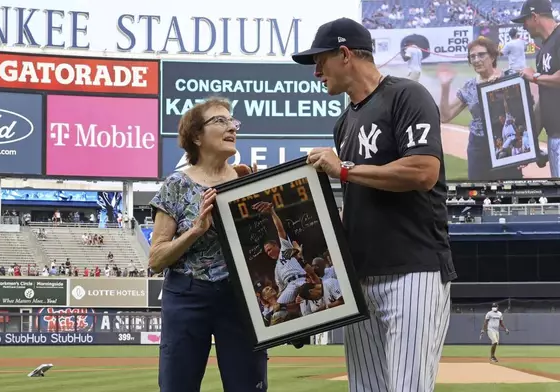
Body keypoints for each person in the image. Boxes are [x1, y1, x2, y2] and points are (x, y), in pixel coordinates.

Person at [291, 17, 456, 392]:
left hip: (413, 270)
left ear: (345, 54)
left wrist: (345, 169)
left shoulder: (406, 95)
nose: (316, 72)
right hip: (362, 277)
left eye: (320, 60)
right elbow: (356, 202)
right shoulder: (344, 122)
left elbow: (423, 170)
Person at [148, 97, 266, 392]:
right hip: (187, 295)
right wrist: (195, 231)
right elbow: (155, 259)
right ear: (197, 136)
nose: (232, 128)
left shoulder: (248, 179)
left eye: (233, 121)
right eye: (220, 121)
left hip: (239, 298)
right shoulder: (177, 184)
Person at [438, 37, 525, 180]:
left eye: (481, 55)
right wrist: (445, 86)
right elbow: (445, 116)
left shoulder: (510, 78)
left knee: (509, 190)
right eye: (472, 56)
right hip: (478, 146)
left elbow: (523, 113)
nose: (476, 59)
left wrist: (523, 153)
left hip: (505, 143)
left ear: (492, 56)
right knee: (478, 193)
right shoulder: (470, 87)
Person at [513, 0, 560, 176]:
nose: (524, 27)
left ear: (534, 17)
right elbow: (544, 98)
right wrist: (529, 146)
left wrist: (534, 77)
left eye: (524, 21)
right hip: (554, 136)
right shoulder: (542, 52)